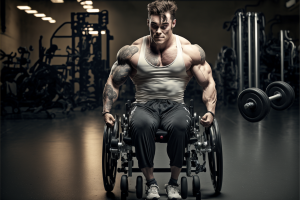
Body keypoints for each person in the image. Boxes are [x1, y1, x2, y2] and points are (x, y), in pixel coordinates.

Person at [102, 0, 217, 199]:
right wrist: (106, 110)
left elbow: (207, 82)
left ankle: (173, 184)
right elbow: (113, 80)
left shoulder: (190, 51)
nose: (158, 32)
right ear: (148, 22)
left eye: (164, 26)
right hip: (143, 105)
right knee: (140, 125)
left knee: (182, 125)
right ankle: (151, 183)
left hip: (176, 106)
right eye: (153, 26)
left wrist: (210, 111)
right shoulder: (133, 51)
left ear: (173, 23)